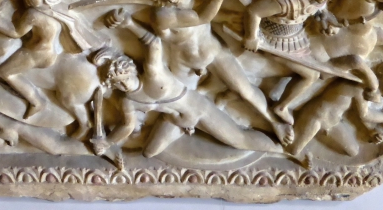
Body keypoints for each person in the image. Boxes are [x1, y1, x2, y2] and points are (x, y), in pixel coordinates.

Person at [105, 0, 294, 146]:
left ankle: (274, 122)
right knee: (177, 112)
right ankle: (185, 121)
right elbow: (202, 17)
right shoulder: (162, 14)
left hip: (213, 52)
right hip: (183, 65)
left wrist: (228, 15)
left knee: (245, 90)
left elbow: (209, 17)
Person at [91, 27, 281, 159]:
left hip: (197, 110)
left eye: (125, 78)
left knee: (239, 139)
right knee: (149, 152)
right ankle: (187, 123)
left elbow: (154, 43)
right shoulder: (128, 101)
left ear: (131, 70)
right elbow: (126, 126)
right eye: (117, 83)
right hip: (174, 119)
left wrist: (128, 23)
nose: (124, 85)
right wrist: (107, 142)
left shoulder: (153, 74)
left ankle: (283, 149)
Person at [240, 0, 353, 125]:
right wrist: (251, 37)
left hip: (297, 39)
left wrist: (325, 20)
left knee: (322, 64)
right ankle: (281, 106)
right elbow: (254, 11)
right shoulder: (286, 1)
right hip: (275, 41)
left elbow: (319, 11)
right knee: (311, 75)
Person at [289, 61, 383, 158]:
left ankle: (305, 139)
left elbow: (356, 112)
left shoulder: (365, 88)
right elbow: (365, 114)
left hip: (332, 123)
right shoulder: (359, 86)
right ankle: (282, 130)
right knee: (293, 150)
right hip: (316, 116)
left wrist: (371, 130)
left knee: (353, 151)